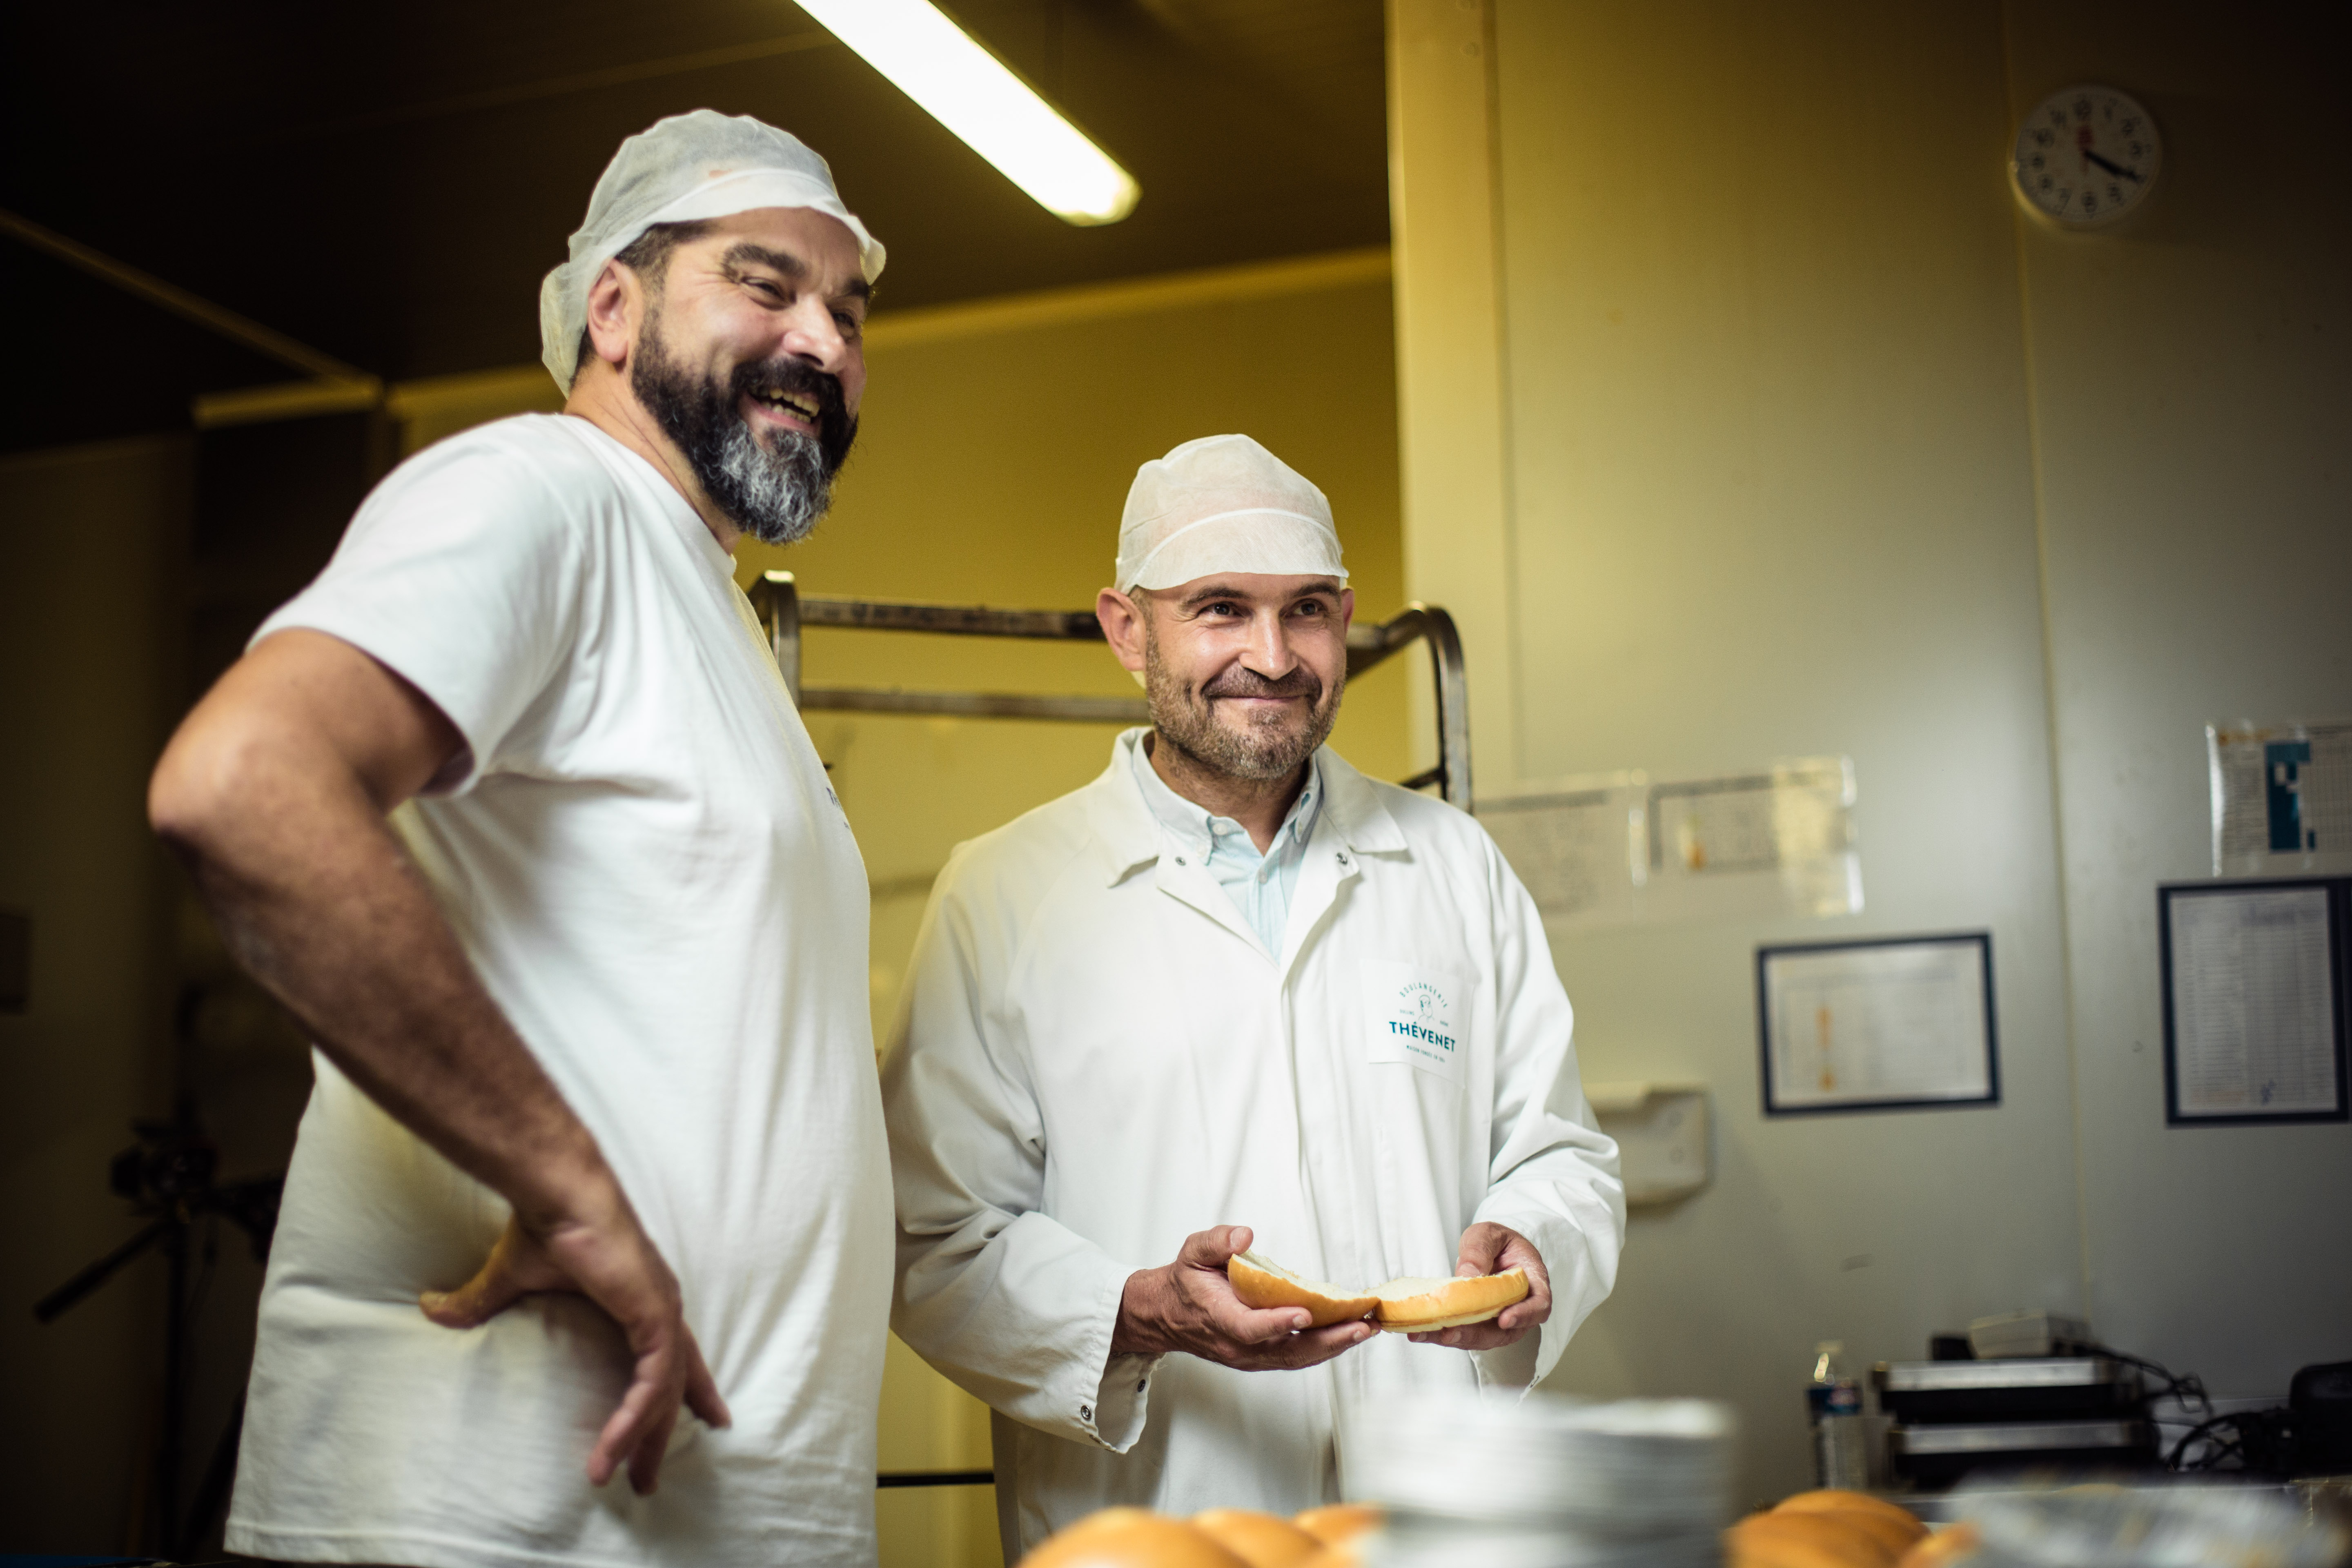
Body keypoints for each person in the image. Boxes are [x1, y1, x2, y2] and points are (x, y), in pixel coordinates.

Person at [148, 111, 892, 1567]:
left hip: (697, 1513)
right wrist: (565, 1185)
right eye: (766, 283)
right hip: (494, 1514)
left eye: (850, 313)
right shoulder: (545, 495)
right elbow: (242, 781)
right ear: (611, 309)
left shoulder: (710, 613)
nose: (823, 341)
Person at [883, 434, 1628, 1555]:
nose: (1273, 657)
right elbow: (932, 1238)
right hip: (1158, 1523)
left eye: (1308, 610)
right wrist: (1136, 1310)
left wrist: (1536, 1240)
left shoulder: (1452, 865)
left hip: (1431, 1521)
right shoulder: (1006, 894)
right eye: (1221, 608)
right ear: (1128, 627)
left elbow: (1563, 1154)